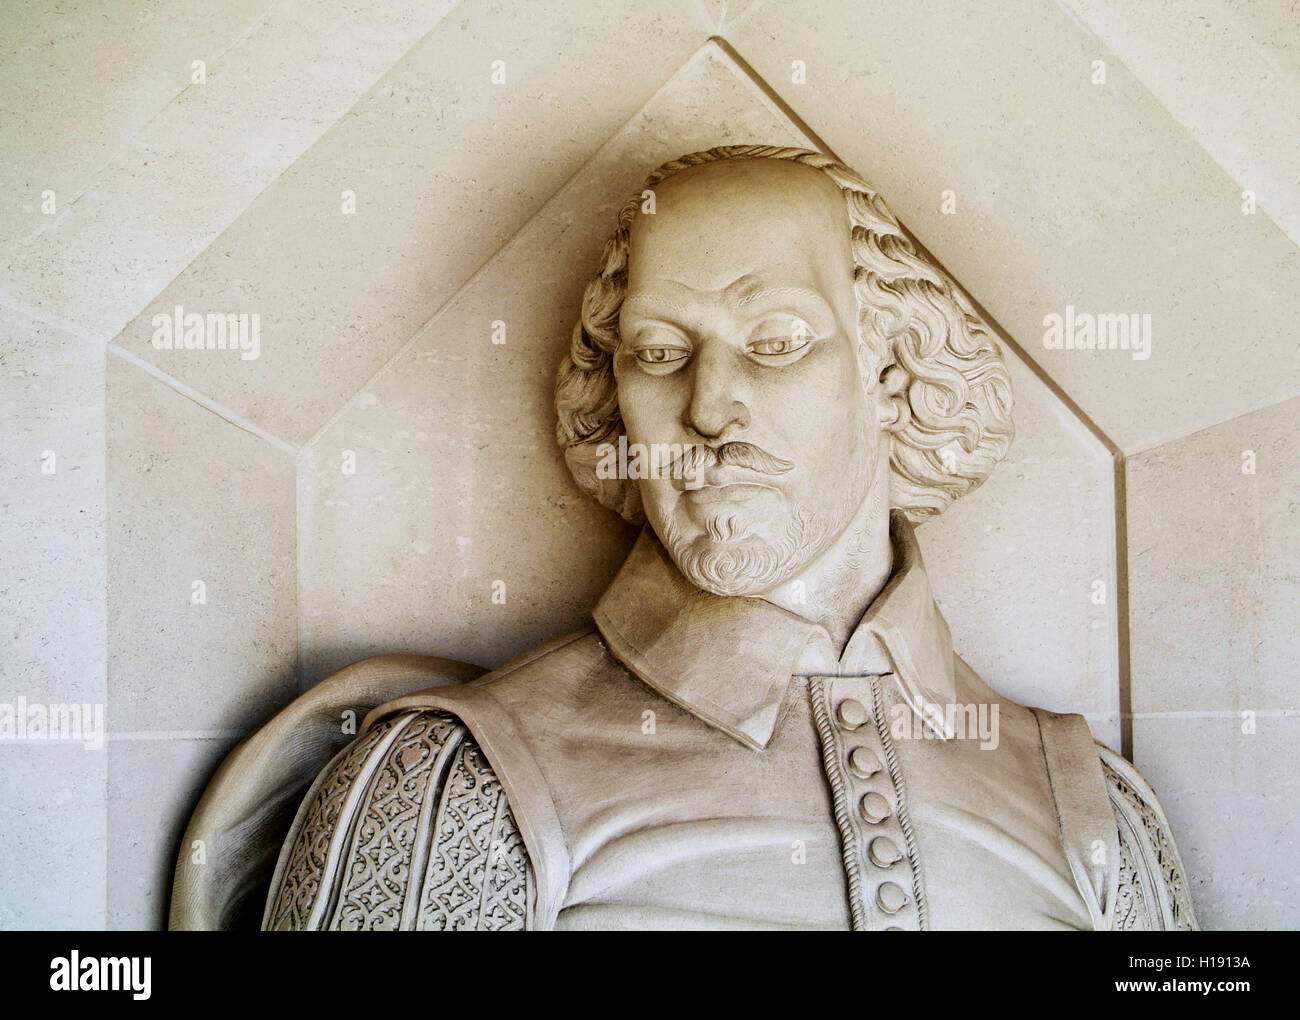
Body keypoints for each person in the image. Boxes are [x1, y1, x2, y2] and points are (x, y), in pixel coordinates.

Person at [243, 146, 1194, 931]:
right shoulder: (461, 784)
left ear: (892, 375)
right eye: (658, 353)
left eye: (775, 342)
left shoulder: (1095, 809)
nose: (705, 408)